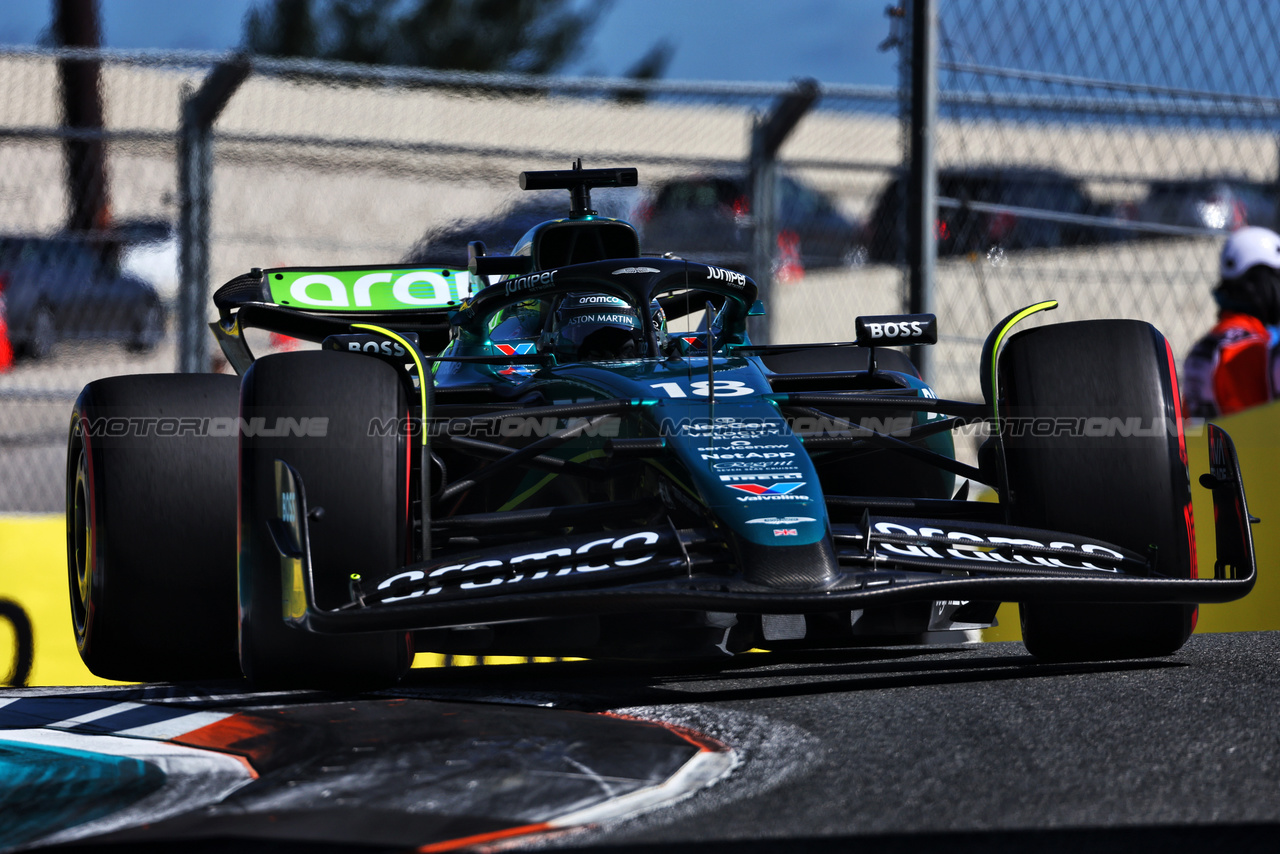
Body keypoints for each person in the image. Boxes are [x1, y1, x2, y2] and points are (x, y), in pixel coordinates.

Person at [1182, 226, 1280, 418]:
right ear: (1264, 280)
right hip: (1236, 446)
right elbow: (1256, 427)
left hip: (1199, 446)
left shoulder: (1207, 343)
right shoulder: (1248, 346)